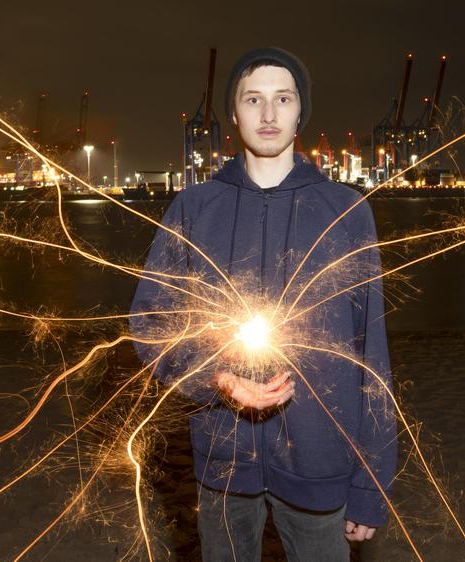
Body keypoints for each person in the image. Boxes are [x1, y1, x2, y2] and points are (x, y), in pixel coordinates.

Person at [129, 47, 396, 562]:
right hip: (224, 460)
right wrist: (217, 379)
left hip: (323, 461)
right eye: (254, 99)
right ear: (234, 113)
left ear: (301, 112)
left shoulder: (347, 211)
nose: (269, 115)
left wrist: (371, 483)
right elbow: (152, 323)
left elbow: (372, 355)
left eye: (283, 98)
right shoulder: (193, 207)